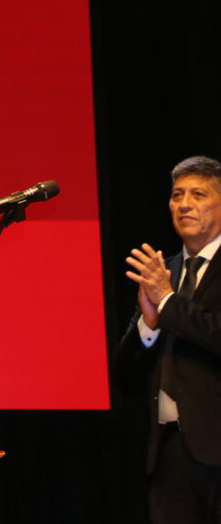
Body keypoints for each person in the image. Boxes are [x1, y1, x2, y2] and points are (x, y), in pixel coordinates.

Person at [118, 155, 221, 524]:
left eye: (198, 194)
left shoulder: (163, 285)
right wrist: (148, 326)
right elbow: (124, 373)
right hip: (169, 451)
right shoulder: (165, 270)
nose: (184, 204)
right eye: (177, 195)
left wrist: (167, 301)